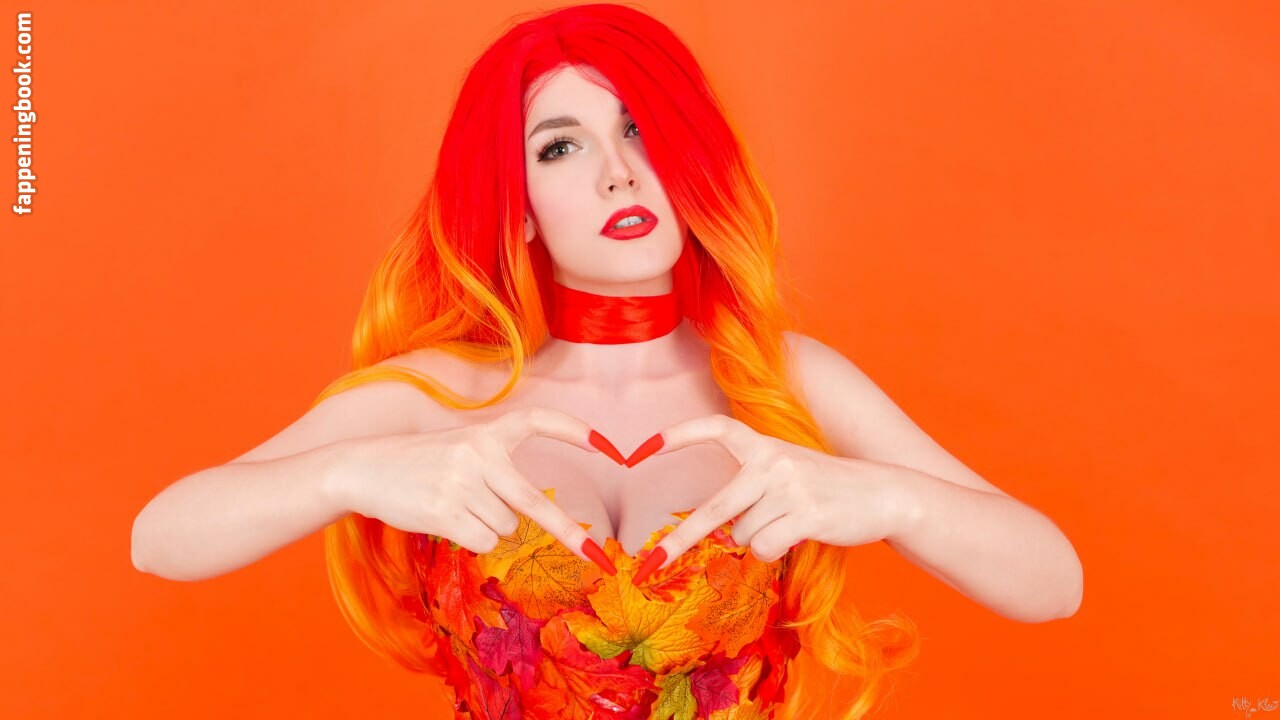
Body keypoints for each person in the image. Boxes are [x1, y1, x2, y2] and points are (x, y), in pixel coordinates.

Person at [131, 4, 1083, 719]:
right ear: (516, 203)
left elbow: (1054, 584)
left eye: (639, 128)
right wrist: (349, 473)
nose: (618, 171)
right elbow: (160, 538)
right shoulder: (441, 394)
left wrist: (888, 498)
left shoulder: (785, 378)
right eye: (560, 147)